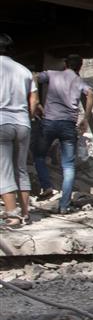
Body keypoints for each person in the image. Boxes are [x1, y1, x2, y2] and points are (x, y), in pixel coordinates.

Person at [33, 54, 93, 214]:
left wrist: (37, 102)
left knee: (39, 156)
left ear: (65, 64)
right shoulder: (78, 81)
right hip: (68, 125)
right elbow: (91, 94)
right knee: (68, 166)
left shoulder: (53, 74)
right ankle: (64, 205)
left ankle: (46, 186)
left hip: (49, 122)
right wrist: (85, 119)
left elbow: (34, 78)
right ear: (80, 67)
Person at [0, 34, 39, 227]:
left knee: (4, 169)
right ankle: (25, 213)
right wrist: (28, 118)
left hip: (1, 122)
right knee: (21, 169)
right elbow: (34, 101)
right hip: (23, 123)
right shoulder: (25, 71)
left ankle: (12, 215)